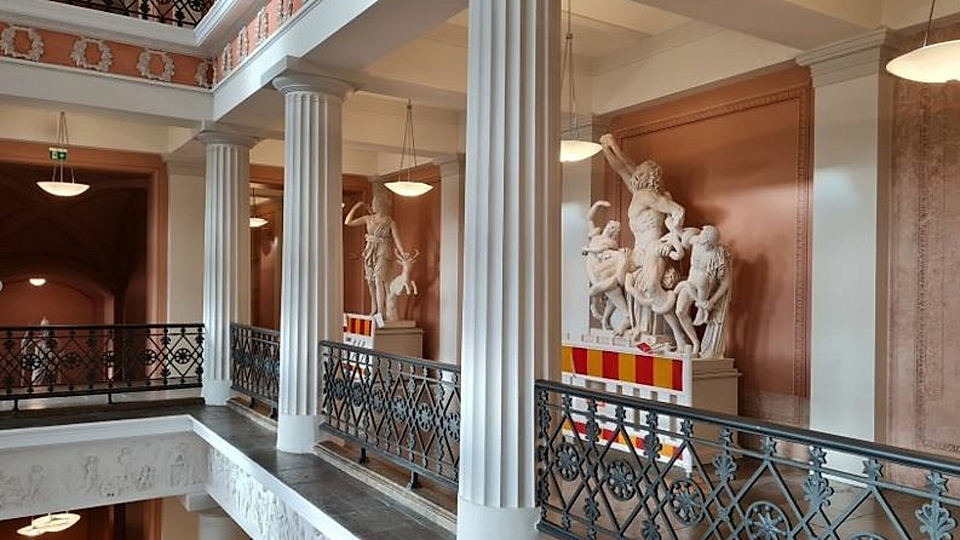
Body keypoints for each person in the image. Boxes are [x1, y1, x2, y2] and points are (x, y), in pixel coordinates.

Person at [344, 184, 408, 318]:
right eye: (373, 202)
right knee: (370, 281)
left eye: (376, 203)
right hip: (370, 250)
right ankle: (374, 307)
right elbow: (348, 222)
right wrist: (357, 206)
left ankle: (380, 311)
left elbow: (397, 239)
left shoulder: (390, 222)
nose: (374, 205)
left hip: (383, 250)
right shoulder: (368, 219)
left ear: (382, 205)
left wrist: (403, 253)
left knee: (379, 280)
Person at [674, 226, 732, 356]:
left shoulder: (717, 255)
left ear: (713, 243)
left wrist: (712, 301)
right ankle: (695, 342)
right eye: (703, 240)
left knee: (703, 278)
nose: (704, 243)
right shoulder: (696, 241)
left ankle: (702, 310)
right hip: (690, 282)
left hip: (704, 288)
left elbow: (725, 282)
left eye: (708, 243)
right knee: (679, 311)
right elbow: (681, 235)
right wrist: (673, 225)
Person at [581, 200, 631, 334]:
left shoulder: (611, 244)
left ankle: (615, 318)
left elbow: (599, 250)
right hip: (594, 269)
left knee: (610, 289)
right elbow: (589, 218)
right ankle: (609, 317)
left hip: (603, 270)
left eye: (614, 228)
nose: (611, 228)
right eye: (610, 225)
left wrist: (588, 249)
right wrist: (598, 204)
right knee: (607, 290)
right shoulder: (595, 235)